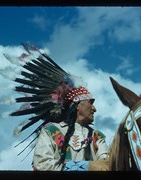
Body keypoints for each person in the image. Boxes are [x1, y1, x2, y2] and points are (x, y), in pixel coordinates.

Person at [8, 43, 109, 171]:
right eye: (91, 103)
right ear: (78, 105)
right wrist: (86, 167)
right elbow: (42, 165)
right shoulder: (50, 132)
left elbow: (107, 165)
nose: (94, 109)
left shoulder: (97, 136)